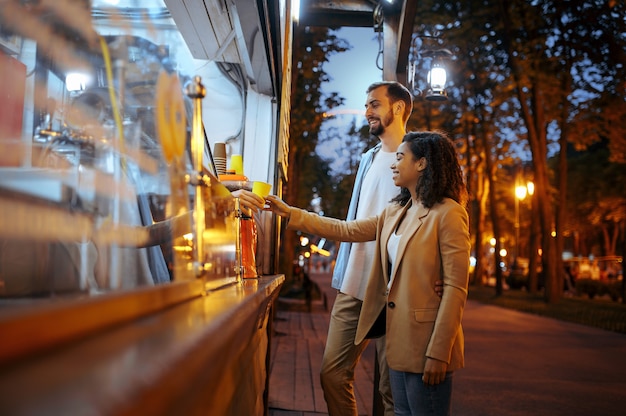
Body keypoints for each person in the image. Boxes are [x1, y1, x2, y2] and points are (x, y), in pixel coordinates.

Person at [267, 130, 470, 415]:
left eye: (400, 157)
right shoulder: (396, 211)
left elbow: (455, 289)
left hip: (427, 344)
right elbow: (346, 229)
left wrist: (439, 352)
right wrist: (291, 213)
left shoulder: (448, 213)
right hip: (398, 341)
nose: (393, 164)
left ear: (422, 163)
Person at [300, 81, 413, 415]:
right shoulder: (369, 157)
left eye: (374, 105)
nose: (367, 113)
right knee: (332, 375)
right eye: (366, 105)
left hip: (395, 287)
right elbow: (357, 222)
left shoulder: (418, 157)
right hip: (355, 283)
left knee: (390, 392)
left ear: (398, 108)